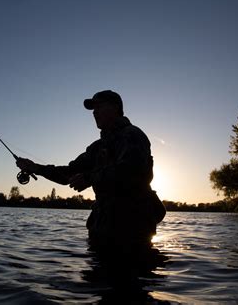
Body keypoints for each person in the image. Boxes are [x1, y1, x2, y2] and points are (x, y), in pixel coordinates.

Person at [16, 90, 165, 255]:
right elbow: (69, 173)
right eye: (93, 108)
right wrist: (36, 168)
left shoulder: (133, 135)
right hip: (102, 227)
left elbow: (130, 171)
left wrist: (89, 178)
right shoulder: (97, 147)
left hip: (131, 228)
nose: (94, 112)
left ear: (115, 107)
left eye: (99, 106)